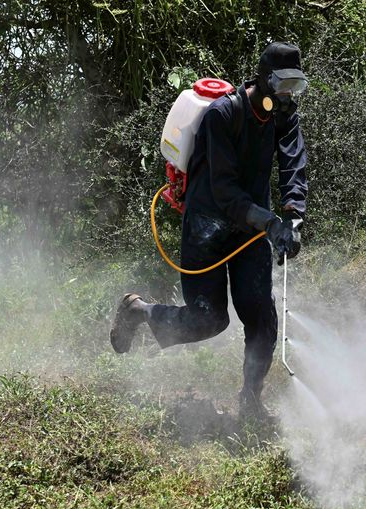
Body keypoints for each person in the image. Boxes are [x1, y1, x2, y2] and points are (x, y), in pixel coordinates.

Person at [110, 42, 308, 421]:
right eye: (283, 85)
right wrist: (269, 223)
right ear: (265, 80)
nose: (287, 96)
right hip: (208, 228)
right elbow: (225, 191)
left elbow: (293, 165)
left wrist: (293, 215)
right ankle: (138, 310)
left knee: (262, 317)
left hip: (251, 231)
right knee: (209, 319)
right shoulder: (223, 115)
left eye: (295, 87)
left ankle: (251, 400)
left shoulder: (283, 116)